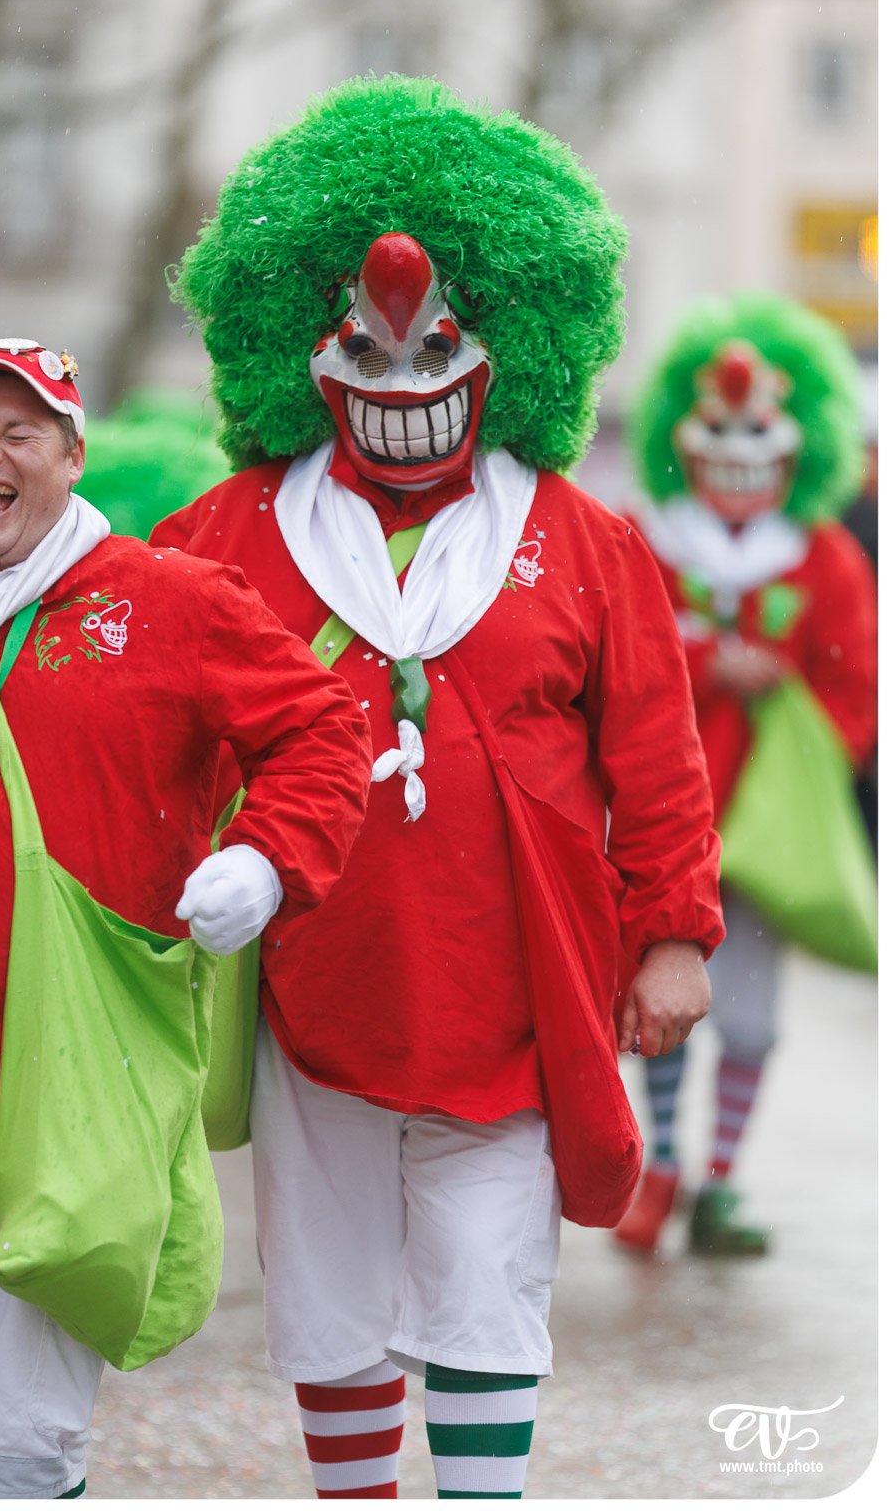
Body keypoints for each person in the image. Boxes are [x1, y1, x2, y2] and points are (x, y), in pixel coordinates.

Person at [151, 76, 724, 1500]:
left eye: (437, 346)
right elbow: (133, 718)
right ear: (305, 347)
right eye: (364, 346)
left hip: (516, 979)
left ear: (503, 347)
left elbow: (654, 755)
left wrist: (668, 935)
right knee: (327, 1288)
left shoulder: (584, 542)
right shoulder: (225, 535)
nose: (403, 382)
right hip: (307, 982)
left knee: (486, 1286)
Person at [0, 338, 373, 1499]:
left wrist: (268, 859)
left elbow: (322, 731)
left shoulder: (171, 602)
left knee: (20, 1450)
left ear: (71, 458)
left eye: (21, 432)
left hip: (68, 1102)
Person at [615, 293, 877, 1256]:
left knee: (755, 1023)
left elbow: (856, 696)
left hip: (759, 842)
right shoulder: (635, 540)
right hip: (652, 828)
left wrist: (792, 712)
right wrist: (698, 663)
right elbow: (598, 666)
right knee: (658, 1009)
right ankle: (666, 1166)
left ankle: (717, 1180)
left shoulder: (828, 560)